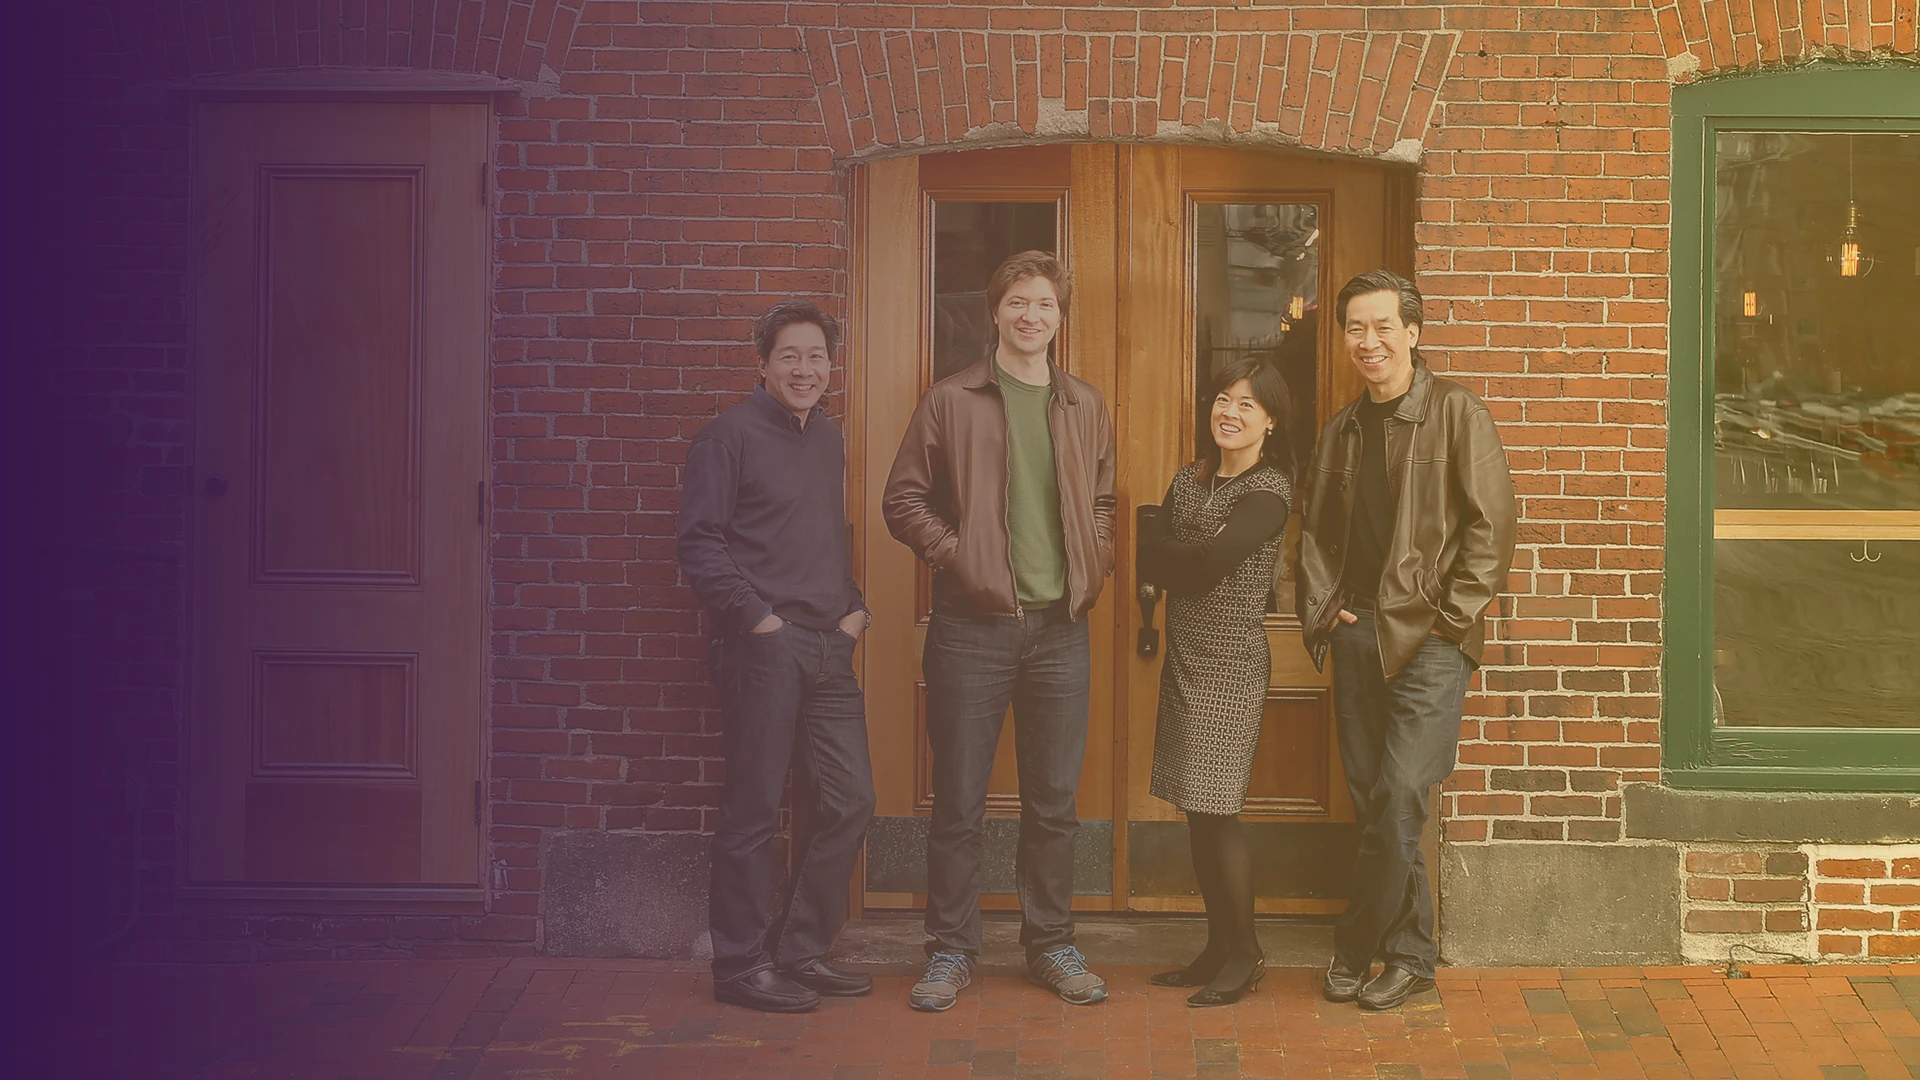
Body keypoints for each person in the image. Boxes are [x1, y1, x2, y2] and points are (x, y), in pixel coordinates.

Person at [883, 250, 1118, 1012]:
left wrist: (1097, 559)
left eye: (1044, 304)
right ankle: (950, 950)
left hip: (1060, 632)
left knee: (1054, 804)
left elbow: (1105, 501)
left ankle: (1050, 944)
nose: (1030, 316)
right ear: (995, 311)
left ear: (1059, 317)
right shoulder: (951, 399)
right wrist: (964, 561)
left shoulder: (1084, 403)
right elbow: (904, 499)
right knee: (958, 801)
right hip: (970, 630)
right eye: (1018, 302)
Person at [1296, 270, 1517, 1011]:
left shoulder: (1456, 413)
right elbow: (1317, 534)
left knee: (1398, 797)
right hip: (1360, 636)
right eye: (1356, 327)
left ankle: (1357, 945)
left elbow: (1491, 530)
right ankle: (1412, 954)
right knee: (1381, 806)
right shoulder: (1342, 428)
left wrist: (1449, 624)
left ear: (1414, 334)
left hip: (1430, 642)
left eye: (1384, 325)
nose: (1369, 341)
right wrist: (1327, 612)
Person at [676, 299, 877, 1014]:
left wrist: (853, 606)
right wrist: (757, 618)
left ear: (831, 366)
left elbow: (827, 533)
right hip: (763, 647)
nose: (805, 369)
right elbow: (699, 542)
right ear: (762, 363)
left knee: (850, 799)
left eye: (817, 356)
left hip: (829, 645)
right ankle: (737, 963)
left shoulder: (826, 438)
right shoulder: (726, 437)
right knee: (756, 809)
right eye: (790, 355)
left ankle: (800, 950)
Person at [1137, 358, 1295, 1008]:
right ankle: (1218, 946)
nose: (1229, 413)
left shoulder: (1269, 491)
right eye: (1223, 399)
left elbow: (1196, 567)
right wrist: (1172, 555)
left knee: (1219, 810)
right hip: (1185, 659)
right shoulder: (1191, 476)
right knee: (1196, 812)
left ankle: (1249, 954)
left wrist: (1171, 554)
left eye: (1246, 406)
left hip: (1230, 669)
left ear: (1270, 421)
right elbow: (1154, 556)